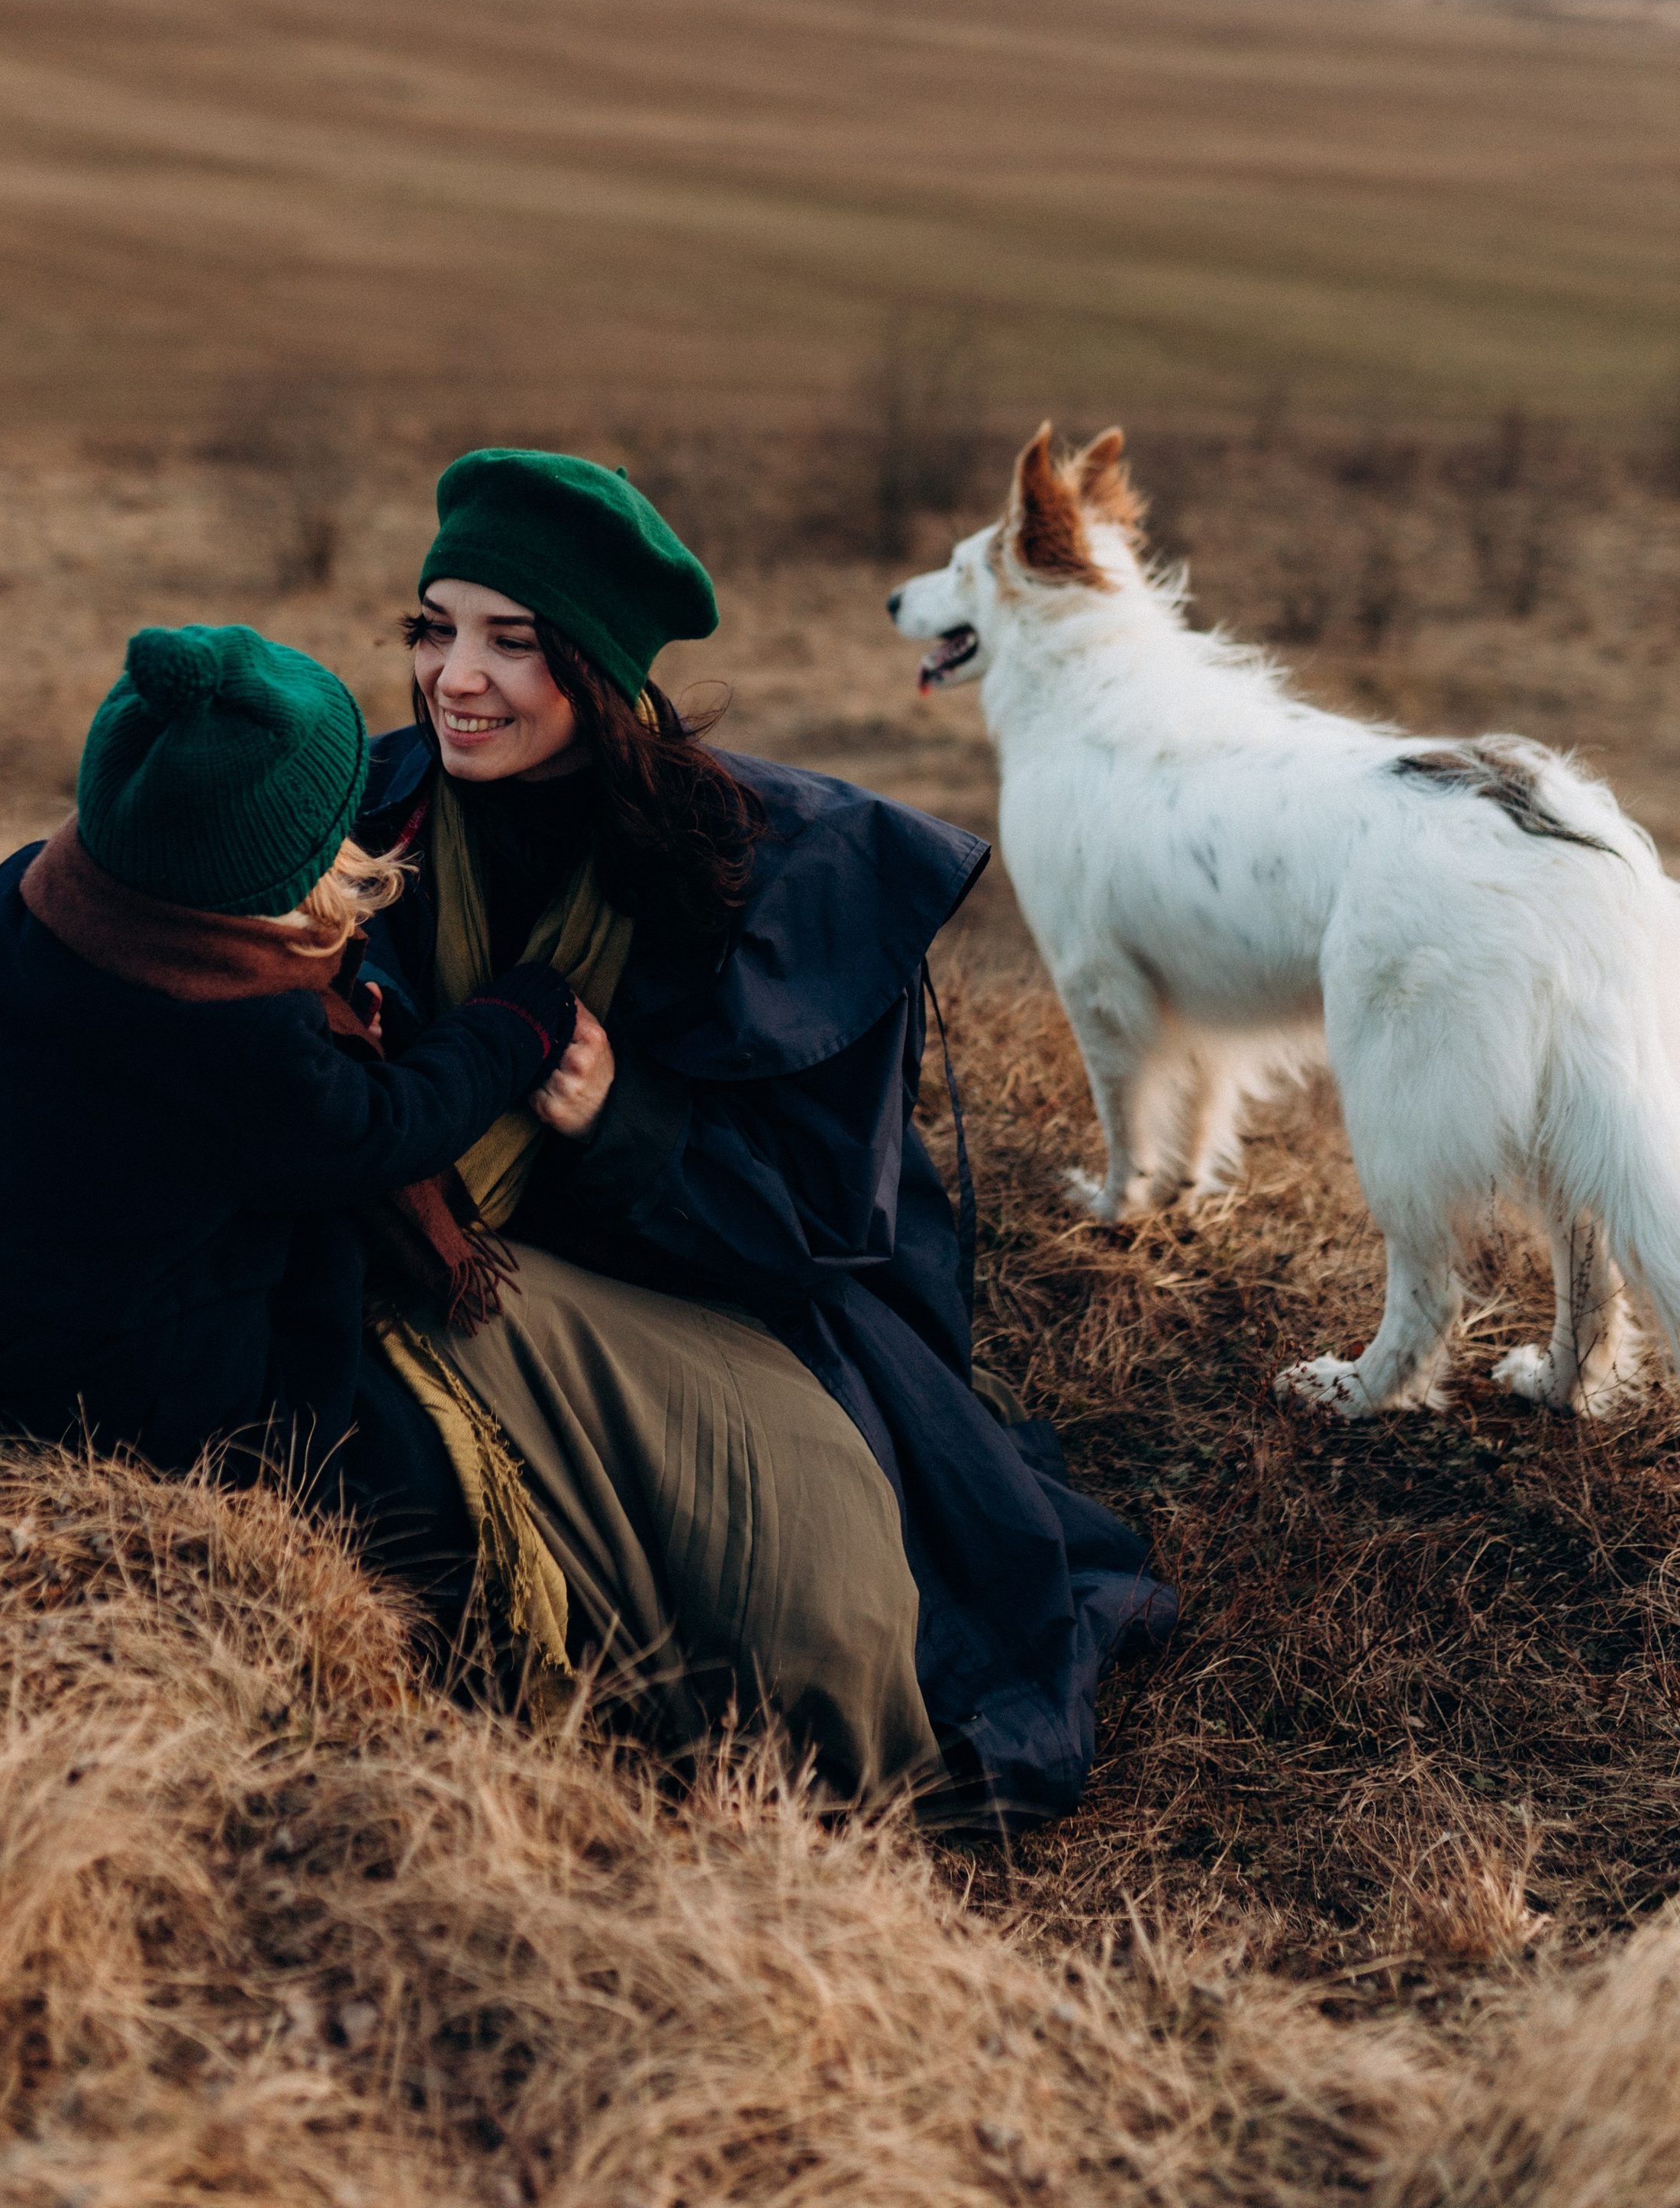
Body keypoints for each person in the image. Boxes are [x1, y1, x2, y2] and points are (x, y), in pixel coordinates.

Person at [353, 447, 1176, 1823]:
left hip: (737, 1317)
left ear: (598, 667)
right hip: (453, 1274)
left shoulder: (766, 873)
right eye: (435, 631)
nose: (457, 679)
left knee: (819, 1631)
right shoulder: (377, 812)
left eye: (512, 641)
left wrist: (622, 1118)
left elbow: (818, 1228)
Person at [0, 622, 591, 1597]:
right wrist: (518, 1018)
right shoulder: (239, 1045)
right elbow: (392, 1125)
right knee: (411, 1502)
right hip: (124, 1376)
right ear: (277, 874)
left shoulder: (29, 891)